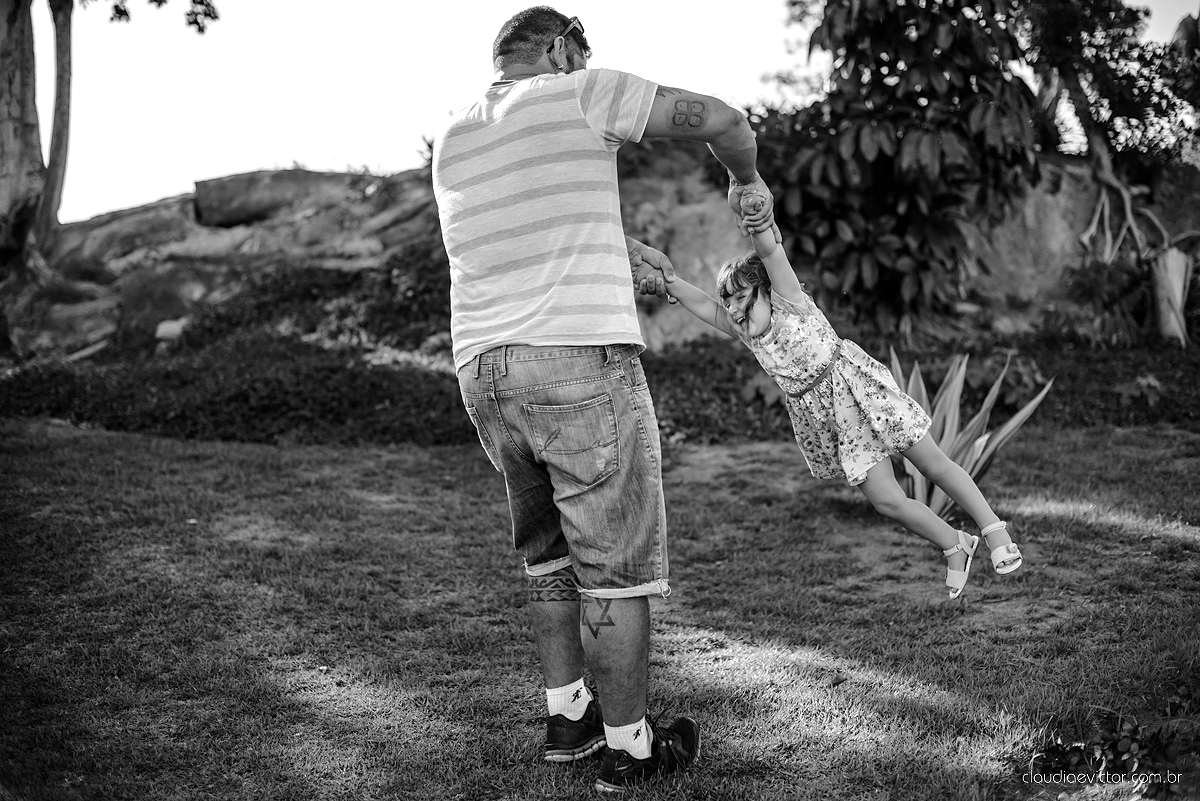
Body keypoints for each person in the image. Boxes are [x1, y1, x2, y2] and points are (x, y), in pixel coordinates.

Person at [430, 6, 774, 793]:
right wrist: (746, 178)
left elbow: (526, 233)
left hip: (485, 372)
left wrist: (623, 253)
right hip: (578, 363)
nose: (589, 66)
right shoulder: (581, 92)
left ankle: (569, 715)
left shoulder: (457, 134)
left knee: (548, 551)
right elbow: (722, 116)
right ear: (560, 48)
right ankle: (632, 749)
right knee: (615, 564)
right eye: (583, 54)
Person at [633, 191, 1023, 600]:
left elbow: (769, 251)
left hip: (861, 392)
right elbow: (708, 308)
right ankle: (955, 544)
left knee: (934, 465)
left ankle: (995, 530)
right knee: (887, 501)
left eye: (740, 296)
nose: (731, 308)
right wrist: (670, 283)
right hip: (837, 422)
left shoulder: (790, 303)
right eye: (727, 300)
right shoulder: (751, 337)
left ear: (766, 291)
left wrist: (753, 213)